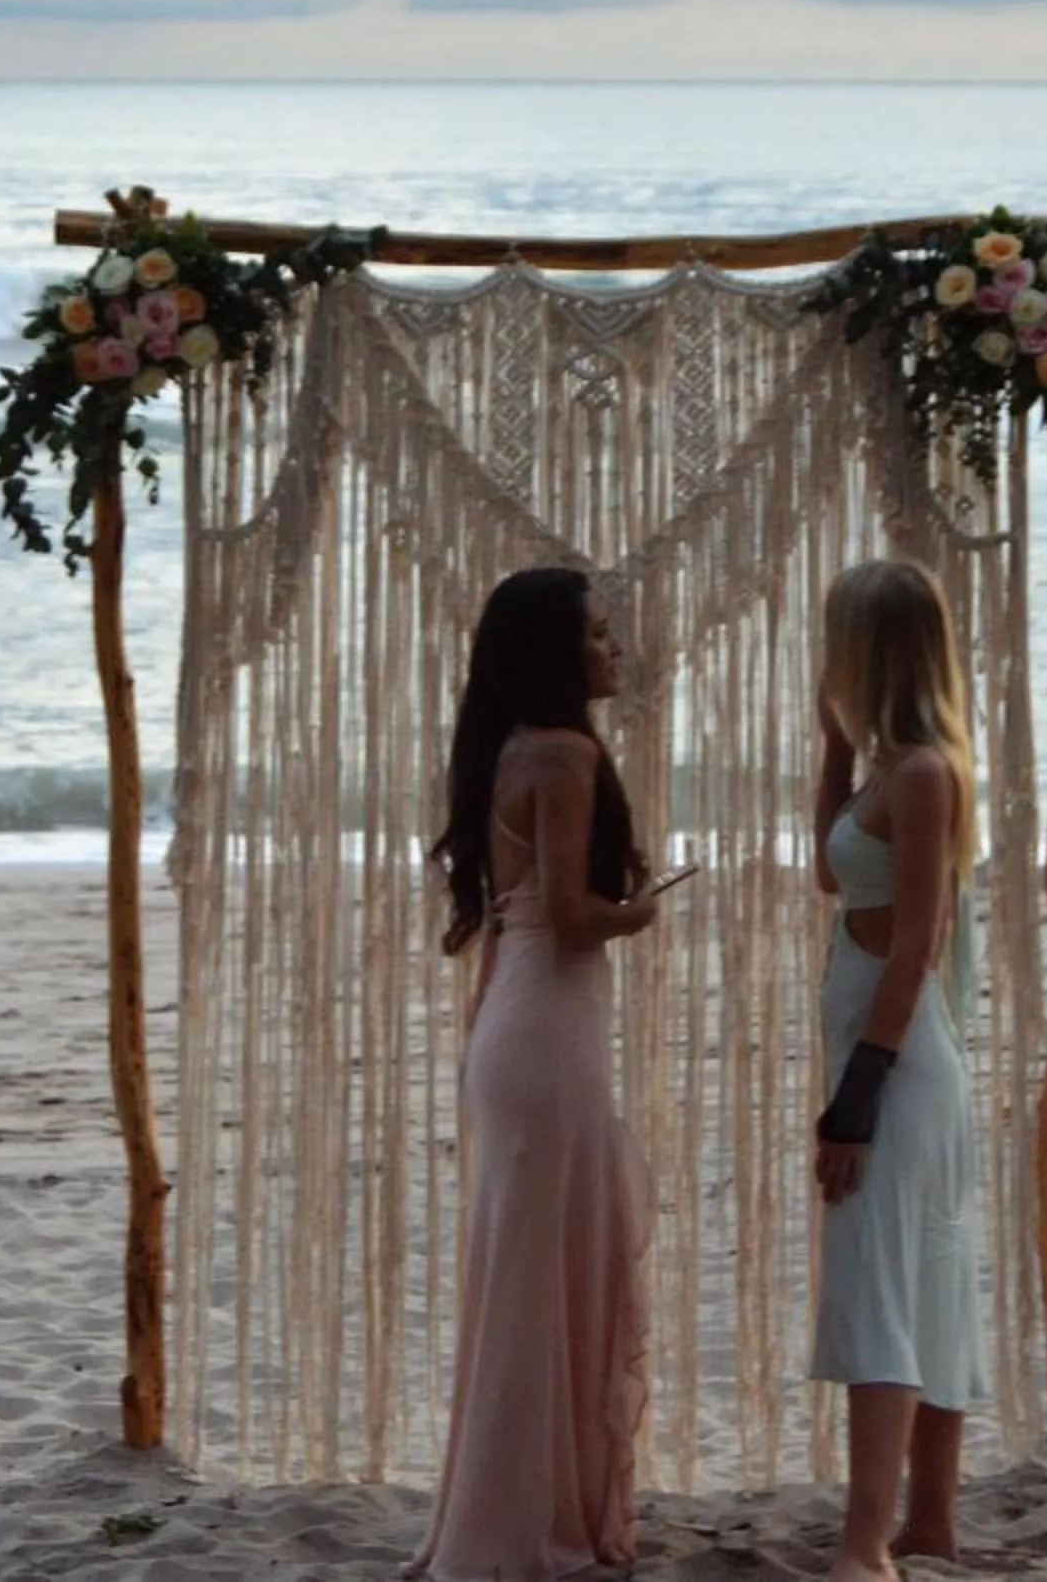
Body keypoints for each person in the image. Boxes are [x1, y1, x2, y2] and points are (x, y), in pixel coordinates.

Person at [410, 566, 662, 1582]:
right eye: (600, 634)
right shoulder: (564, 751)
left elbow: (518, 908)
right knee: (546, 1272)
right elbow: (570, 910)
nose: (616, 649)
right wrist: (642, 910)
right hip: (548, 1023)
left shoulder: (509, 746)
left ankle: (509, 1501)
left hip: (514, 1022)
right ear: (558, 654)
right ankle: (526, 1519)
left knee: (523, 1273)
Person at [807, 557, 988, 1581]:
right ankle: (931, 1522)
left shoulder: (924, 775)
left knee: (888, 1283)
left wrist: (856, 1100)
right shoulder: (890, 769)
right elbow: (830, 870)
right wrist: (833, 749)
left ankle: (867, 1541)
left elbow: (914, 945)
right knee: (923, 1277)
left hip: (901, 1068)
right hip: (893, 1058)